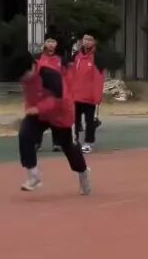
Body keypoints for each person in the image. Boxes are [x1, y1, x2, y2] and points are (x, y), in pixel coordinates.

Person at [16, 50, 91, 194]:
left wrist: (38, 108)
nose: (23, 79)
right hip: (40, 114)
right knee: (25, 135)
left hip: (61, 114)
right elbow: (30, 97)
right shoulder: (26, 79)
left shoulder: (49, 75)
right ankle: (34, 175)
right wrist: (30, 109)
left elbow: (59, 100)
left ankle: (83, 172)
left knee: (68, 147)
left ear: (32, 66)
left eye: (24, 75)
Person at [67, 31, 106, 154]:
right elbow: (70, 74)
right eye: (85, 39)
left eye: (90, 40)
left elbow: (99, 79)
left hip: (90, 97)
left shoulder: (98, 58)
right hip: (76, 95)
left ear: (94, 42)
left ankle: (88, 142)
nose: (87, 42)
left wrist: (97, 97)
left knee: (90, 122)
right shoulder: (76, 56)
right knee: (74, 120)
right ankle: (74, 141)